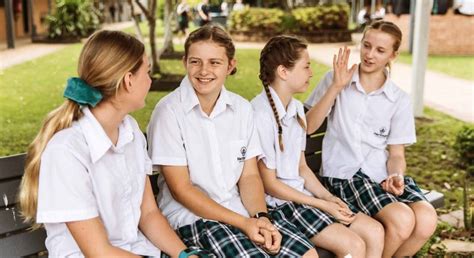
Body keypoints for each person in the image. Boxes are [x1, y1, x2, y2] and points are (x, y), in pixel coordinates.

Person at [18, 30, 199, 258]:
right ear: (128, 80)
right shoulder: (66, 152)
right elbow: (98, 252)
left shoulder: (130, 130)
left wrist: (184, 255)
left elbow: (149, 214)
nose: (150, 80)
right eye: (147, 72)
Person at [147, 24, 318, 257]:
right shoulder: (169, 111)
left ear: (230, 65)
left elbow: (249, 176)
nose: (204, 70)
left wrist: (261, 218)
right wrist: (243, 223)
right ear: (185, 62)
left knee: (307, 254)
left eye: (215, 62)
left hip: (240, 212)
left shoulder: (242, 109)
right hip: (194, 219)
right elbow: (182, 190)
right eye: (195, 61)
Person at [304, 20, 438, 258]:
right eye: (366, 46)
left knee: (427, 220)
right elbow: (308, 127)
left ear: (393, 56)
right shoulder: (336, 79)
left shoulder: (398, 99)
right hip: (344, 174)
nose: (370, 55)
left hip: (380, 175)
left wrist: (396, 175)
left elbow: (396, 155)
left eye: (380, 50)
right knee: (402, 219)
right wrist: (336, 86)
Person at [251, 35, 384, 258]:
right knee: (354, 246)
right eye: (306, 66)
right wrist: (320, 204)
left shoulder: (294, 107)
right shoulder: (260, 115)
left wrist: (327, 198)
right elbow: (270, 184)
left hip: (302, 197)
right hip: (280, 207)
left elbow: (302, 167)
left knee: (374, 231)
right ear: (283, 72)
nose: (311, 73)